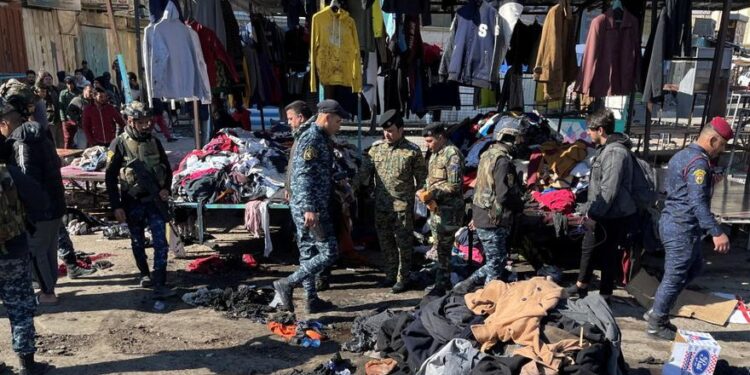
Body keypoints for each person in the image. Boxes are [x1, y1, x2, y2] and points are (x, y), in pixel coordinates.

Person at [646, 117, 733, 340]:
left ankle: (658, 309)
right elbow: (696, 203)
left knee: (694, 268)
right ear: (713, 140)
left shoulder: (683, 155)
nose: (720, 151)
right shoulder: (699, 163)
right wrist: (716, 231)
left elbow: (682, 189)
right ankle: (657, 322)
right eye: (721, 145)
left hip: (675, 222)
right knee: (675, 276)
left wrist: (710, 182)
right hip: (682, 227)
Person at [271, 99, 347, 314]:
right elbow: (304, 175)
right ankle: (287, 283)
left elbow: (312, 171)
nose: (339, 126)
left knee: (307, 251)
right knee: (329, 251)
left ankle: (311, 300)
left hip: (307, 203)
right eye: (338, 121)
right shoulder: (313, 138)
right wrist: (309, 208)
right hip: (312, 207)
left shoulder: (318, 136)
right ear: (327, 117)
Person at [0, 100, 52, 375]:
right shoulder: (8, 170)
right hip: (12, 249)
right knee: (20, 306)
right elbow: (39, 200)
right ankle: (27, 364)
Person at [0, 88, 66, 306]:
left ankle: (47, 293)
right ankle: (51, 288)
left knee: (36, 250)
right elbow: (56, 165)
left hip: (40, 208)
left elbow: (26, 177)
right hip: (56, 202)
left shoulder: (19, 142)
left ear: (7, 123)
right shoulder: (41, 134)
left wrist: (28, 206)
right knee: (50, 249)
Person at [105, 101, 174, 298]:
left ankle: (160, 279)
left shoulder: (154, 141)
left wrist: (165, 189)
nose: (146, 125)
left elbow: (166, 168)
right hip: (132, 201)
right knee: (137, 241)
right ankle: (144, 273)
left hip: (155, 201)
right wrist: (116, 206)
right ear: (130, 121)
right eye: (142, 122)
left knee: (161, 241)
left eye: (148, 121)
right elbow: (110, 177)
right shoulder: (119, 143)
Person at [566, 109, 636, 301]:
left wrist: (593, 216)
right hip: (602, 210)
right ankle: (582, 284)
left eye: (590, 130)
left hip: (612, 214)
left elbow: (609, 190)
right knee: (589, 246)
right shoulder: (607, 150)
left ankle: (605, 293)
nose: (588, 133)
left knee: (608, 252)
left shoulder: (615, 153)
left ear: (601, 130)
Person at [453, 118, 525, 294]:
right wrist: (519, 204)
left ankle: (467, 285)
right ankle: (487, 297)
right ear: (510, 137)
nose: (521, 142)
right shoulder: (503, 161)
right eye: (519, 138)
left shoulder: (487, 154)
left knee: (496, 261)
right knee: (496, 264)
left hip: (481, 215)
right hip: (493, 219)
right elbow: (503, 194)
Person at [358, 110, 427, 293]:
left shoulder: (412, 151)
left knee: (403, 244)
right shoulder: (376, 149)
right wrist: (352, 187)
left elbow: (422, 179)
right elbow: (364, 175)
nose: (387, 134)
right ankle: (390, 274)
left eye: (391, 131)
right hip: (381, 206)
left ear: (401, 129)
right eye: (385, 131)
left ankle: (402, 278)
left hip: (402, 207)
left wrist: (420, 204)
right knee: (385, 242)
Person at [418, 123, 465, 294]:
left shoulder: (452, 154)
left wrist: (432, 193)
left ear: (440, 137)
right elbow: (432, 179)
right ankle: (441, 280)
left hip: (449, 211)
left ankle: (441, 284)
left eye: (430, 140)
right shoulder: (436, 154)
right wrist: (424, 190)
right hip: (438, 209)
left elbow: (454, 185)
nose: (427, 144)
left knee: (444, 249)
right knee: (438, 247)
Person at [284, 100, 314, 201]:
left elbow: (306, 171)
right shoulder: (299, 135)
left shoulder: (308, 137)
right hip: (297, 195)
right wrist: (288, 187)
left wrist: (307, 206)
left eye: (290, 119)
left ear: (300, 117)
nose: (288, 122)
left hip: (303, 198)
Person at [35, 71, 62, 148]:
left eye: (50, 79)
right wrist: (40, 77)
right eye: (46, 79)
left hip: (58, 118)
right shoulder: (41, 91)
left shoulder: (55, 89)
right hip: (49, 120)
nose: (48, 81)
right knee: (52, 141)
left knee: (59, 140)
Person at [66, 84, 93, 149]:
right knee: (82, 147)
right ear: (84, 91)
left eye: (92, 92)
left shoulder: (93, 102)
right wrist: (77, 119)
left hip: (91, 128)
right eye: (90, 91)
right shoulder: (77, 100)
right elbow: (69, 112)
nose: (91, 93)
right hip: (81, 128)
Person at [58, 76, 80, 149]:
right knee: (67, 138)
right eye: (68, 84)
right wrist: (63, 119)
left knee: (77, 138)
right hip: (67, 119)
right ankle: (67, 155)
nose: (70, 86)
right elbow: (61, 107)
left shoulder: (79, 92)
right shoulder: (63, 93)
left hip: (77, 119)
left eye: (71, 84)